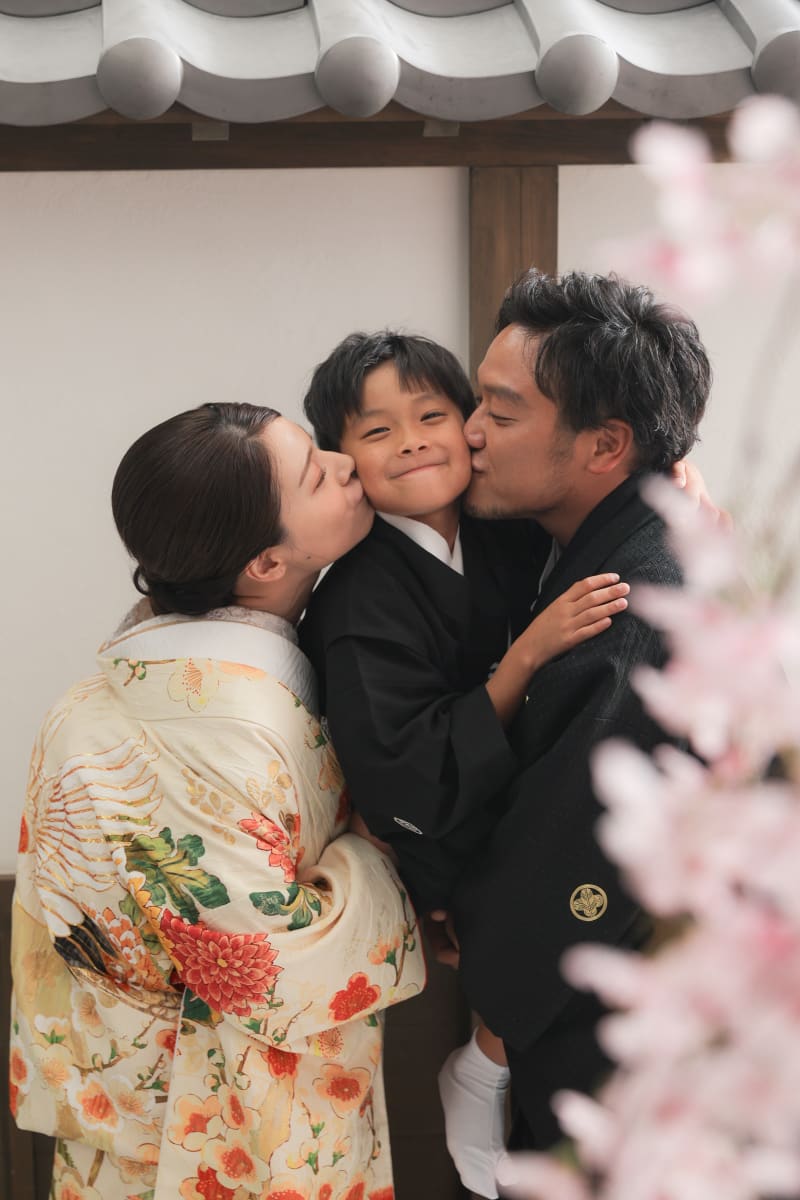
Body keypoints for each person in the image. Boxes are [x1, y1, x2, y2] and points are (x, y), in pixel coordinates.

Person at [9, 402, 426, 1200]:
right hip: (205, 1128)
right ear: (267, 563)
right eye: (317, 475)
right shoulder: (225, 731)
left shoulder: (96, 696)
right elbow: (270, 972)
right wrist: (374, 847)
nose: (346, 465)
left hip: (122, 1102)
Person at [299, 332, 632, 1197]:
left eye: (431, 416)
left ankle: (492, 1056)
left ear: (470, 424)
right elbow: (405, 769)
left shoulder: (504, 527)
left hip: (522, 800)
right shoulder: (359, 596)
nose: (411, 442)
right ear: (345, 460)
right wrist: (526, 655)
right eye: (378, 432)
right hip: (437, 828)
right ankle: (486, 1063)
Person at [439, 269, 712, 1168]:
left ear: (605, 445)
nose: (469, 432)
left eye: (501, 412)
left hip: (630, 1053)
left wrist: (470, 939)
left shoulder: (636, 612)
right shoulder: (595, 533)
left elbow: (568, 848)